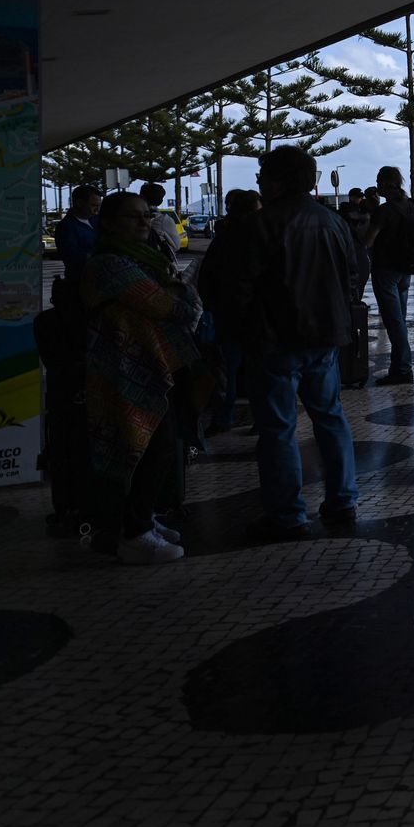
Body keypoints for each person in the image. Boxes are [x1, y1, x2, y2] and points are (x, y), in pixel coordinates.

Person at [230, 145, 363, 539]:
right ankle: (343, 501)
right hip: (325, 338)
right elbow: (352, 277)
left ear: (276, 180)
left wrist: (239, 332)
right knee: (331, 418)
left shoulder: (262, 224)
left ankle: (287, 513)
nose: (259, 184)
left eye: (261, 177)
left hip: (276, 341)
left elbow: (241, 287)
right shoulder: (333, 221)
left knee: (278, 428)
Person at [80, 191, 205, 565]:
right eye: (132, 217)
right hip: (123, 371)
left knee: (154, 446)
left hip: (150, 366)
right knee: (144, 448)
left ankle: (138, 519)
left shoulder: (142, 259)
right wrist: (180, 293)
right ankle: (133, 532)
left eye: (146, 215)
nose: (143, 222)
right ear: (108, 223)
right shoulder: (110, 266)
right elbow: (171, 307)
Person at [195, 189, 263, 435]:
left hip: (228, 316)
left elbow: (206, 279)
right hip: (255, 318)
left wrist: (213, 306)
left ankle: (224, 418)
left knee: (227, 372)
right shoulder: (260, 237)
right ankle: (261, 418)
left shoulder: (223, 238)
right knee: (258, 372)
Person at [362, 166, 414, 385]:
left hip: (386, 269)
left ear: (383, 183)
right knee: (400, 319)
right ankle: (400, 366)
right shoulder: (408, 205)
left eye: (378, 181)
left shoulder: (385, 210)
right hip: (405, 269)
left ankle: (402, 368)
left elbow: (367, 241)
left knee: (394, 321)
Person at [54, 185, 102, 278]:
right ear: (79, 203)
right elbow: (72, 257)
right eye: (94, 205)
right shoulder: (66, 227)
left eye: (99, 205)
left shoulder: (98, 221)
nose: (98, 210)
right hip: (80, 280)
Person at [138, 182, 181, 274]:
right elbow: (176, 246)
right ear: (160, 200)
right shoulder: (164, 220)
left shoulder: (131, 218)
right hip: (156, 268)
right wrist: (163, 235)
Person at [338, 187, 373, 297]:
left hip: (356, 245)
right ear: (352, 197)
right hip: (354, 245)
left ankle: (356, 299)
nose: (360, 199)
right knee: (360, 274)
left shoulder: (359, 209)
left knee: (360, 275)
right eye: (358, 197)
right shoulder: (346, 208)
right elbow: (351, 216)